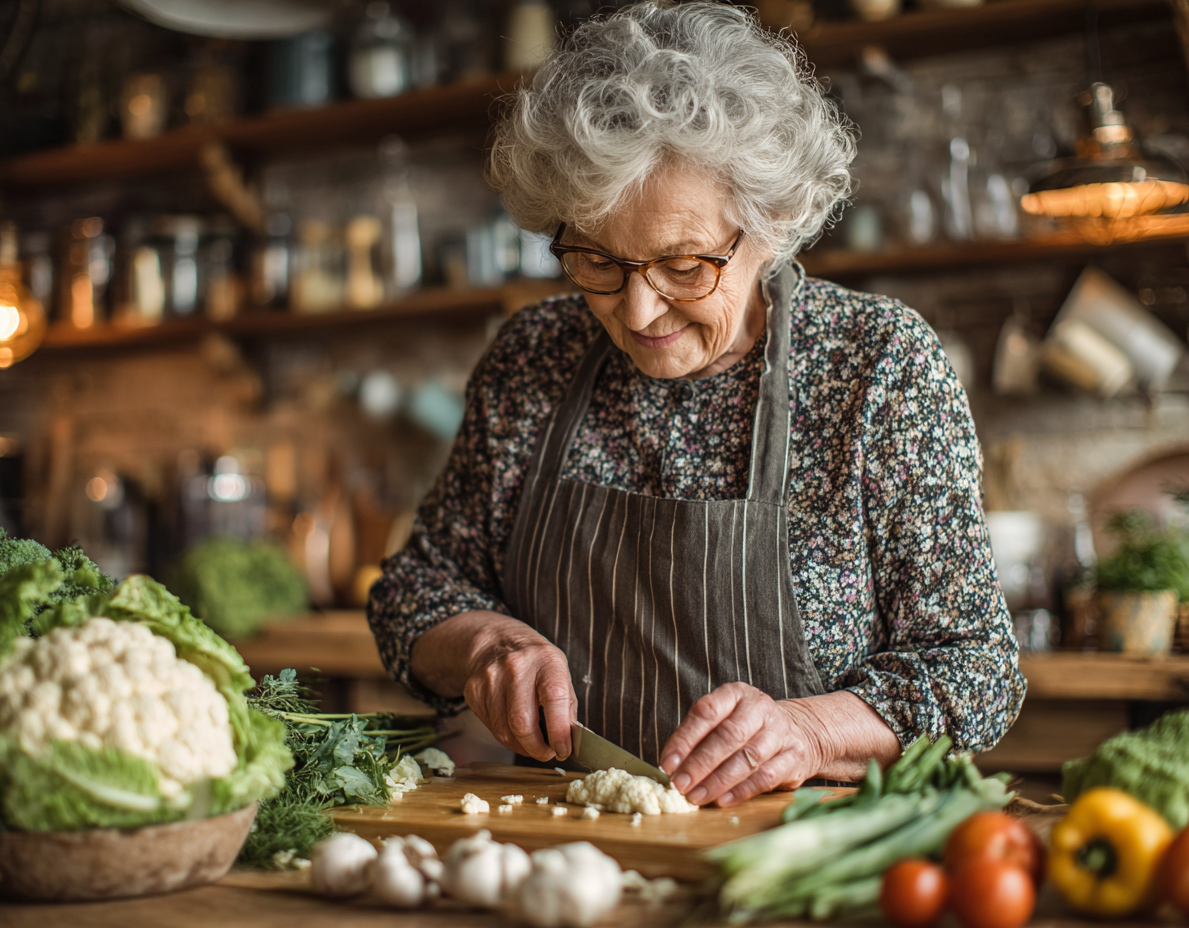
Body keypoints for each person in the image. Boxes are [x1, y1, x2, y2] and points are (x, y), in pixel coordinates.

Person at [368, 0, 1024, 808]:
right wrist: (483, 645)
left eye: (685, 266)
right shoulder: (535, 355)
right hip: (568, 845)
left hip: (795, 857)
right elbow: (417, 587)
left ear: (773, 225)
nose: (638, 314)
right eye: (597, 261)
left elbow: (975, 669)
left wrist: (811, 731)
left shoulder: (876, 366)